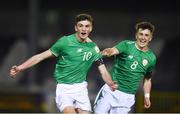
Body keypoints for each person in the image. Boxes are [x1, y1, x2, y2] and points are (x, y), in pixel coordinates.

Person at [9, 13, 117, 114]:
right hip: (64, 88)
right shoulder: (65, 42)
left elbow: (103, 71)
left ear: (91, 28)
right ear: (76, 28)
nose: (84, 28)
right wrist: (20, 67)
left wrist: (110, 82)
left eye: (87, 26)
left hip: (81, 89)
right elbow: (40, 56)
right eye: (81, 25)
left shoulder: (93, 48)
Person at [94, 22, 156, 114]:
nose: (143, 38)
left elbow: (147, 80)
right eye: (141, 34)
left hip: (127, 97)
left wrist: (147, 97)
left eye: (146, 35)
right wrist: (109, 51)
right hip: (111, 91)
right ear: (136, 35)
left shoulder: (151, 58)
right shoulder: (126, 45)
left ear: (150, 38)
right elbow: (113, 50)